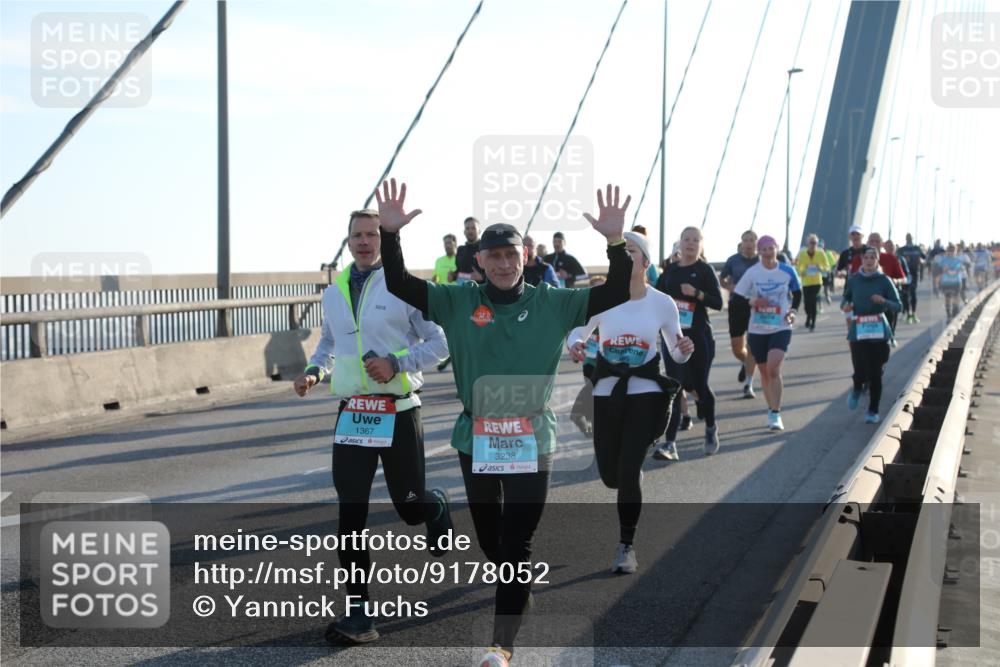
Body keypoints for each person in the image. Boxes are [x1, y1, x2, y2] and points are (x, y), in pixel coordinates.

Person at [376, 178, 633, 667]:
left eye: (509, 254)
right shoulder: (457, 300)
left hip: (533, 437)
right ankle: (515, 585)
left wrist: (615, 242)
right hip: (477, 438)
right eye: (492, 255)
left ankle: (502, 646)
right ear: (479, 262)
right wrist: (390, 236)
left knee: (517, 541)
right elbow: (399, 284)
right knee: (493, 542)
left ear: (524, 255)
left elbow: (617, 289)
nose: (502, 262)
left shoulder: (555, 303)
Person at [292, 208, 452, 645]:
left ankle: (433, 506)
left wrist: (396, 363)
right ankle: (359, 613)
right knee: (351, 511)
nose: (363, 241)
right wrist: (313, 371)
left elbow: (439, 342)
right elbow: (328, 342)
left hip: (399, 410)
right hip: (353, 412)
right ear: (347, 241)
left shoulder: (405, 288)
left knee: (409, 507)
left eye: (371, 234)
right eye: (356, 235)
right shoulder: (334, 291)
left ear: (382, 239)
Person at [567, 231, 692, 573]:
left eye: (631, 251)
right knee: (610, 476)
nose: (625, 256)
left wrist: (683, 350)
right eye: (620, 252)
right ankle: (628, 481)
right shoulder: (601, 297)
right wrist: (575, 345)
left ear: (645, 262)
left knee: (629, 467)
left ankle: (626, 547)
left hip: (646, 393)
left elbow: (676, 348)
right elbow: (578, 331)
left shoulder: (662, 303)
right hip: (607, 390)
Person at [653, 226, 723, 460]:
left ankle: (711, 428)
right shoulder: (670, 271)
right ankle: (670, 444)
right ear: (680, 243)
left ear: (701, 244)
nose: (690, 243)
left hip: (700, 338)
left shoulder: (704, 270)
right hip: (674, 339)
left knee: (699, 387)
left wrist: (697, 293)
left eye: (695, 240)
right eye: (686, 239)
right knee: (675, 387)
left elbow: (718, 302)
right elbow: (657, 300)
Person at [733, 235, 802, 431]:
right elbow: (738, 296)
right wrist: (752, 302)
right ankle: (771, 409)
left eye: (771, 248)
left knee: (773, 368)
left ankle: (776, 413)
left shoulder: (787, 271)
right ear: (758, 252)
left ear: (777, 249)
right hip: (757, 328)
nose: (767, 252)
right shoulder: (753, 272)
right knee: (764, 372)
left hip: (781, 326)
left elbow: (797, 293)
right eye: (763, 249)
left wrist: (793, 311)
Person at [843, 246, 902, 424]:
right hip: (859, 330)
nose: (869, 261)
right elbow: (846, 299)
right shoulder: (854, 280)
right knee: (860, 370)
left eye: (872, 258)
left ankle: (873, 410)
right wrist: (846, 305)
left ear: (877, 261)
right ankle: (857, 387)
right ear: (862, 260)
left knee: (876, 373)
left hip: (878, 331)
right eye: (866, 257)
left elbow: (898, 305)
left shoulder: (884, 281)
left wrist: (883, 301)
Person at [720, 230, 760, 399]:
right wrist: (730, 288)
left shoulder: (761, 260)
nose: (749, 243)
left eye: (751, 240)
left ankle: (748, 384)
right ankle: (745, 363)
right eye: (746, 240)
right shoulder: (733, 260)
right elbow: (722, 279)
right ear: (741, 242)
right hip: (737, 305)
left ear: (756, 243)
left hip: (757, 307)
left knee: (752, 346)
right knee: (737, 348)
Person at [795, 233, 831, 331]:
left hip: (817, 282)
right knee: (807, 303)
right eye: (811, 242)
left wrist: (821, 268)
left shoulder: (821, 253)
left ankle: (813, 324)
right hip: (806, 282)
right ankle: (808, 316)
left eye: (815, 243)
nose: (813, 245)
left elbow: (827, 267)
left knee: (814, 301)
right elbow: (798, 268)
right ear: (807, 243)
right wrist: (803, 270)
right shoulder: (802, 254)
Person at [896, 233, 926, 323]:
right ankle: (907, 312)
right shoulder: (901, 249)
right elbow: (896, 259)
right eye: (907, 237)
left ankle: (913, 313)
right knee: (905, 294)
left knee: (913, 293)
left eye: (910, 237)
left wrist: (921, 262)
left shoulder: (917, 248)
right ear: (905, 239)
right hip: (904, 274)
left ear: (912, 238)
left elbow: (924, 258)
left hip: (914, 274)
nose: (909, 239)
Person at [935, 243, 967, 319]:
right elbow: (938, 270)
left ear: (956, 251)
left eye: (953, 251)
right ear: (947, 251)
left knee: (956, 298)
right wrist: (942, 270)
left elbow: (963, 269)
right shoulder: (943, 260)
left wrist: (961, 269)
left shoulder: (959, 260)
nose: (951, 252)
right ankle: (949, 315)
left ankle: (954, 314)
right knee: (947, 299)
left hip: (957, 282)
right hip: (946, 282)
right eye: (950, 251)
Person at [454, 216, 485, 284]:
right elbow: (459, 272)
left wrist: (482, 277)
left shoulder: (485, 249)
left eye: (473, 228)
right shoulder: (460, 250)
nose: (470, 231)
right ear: (464, 232)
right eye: (467, 228)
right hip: (462, 290)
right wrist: (453, 275)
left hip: (480, 291)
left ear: (479, 231)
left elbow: (494, 273)